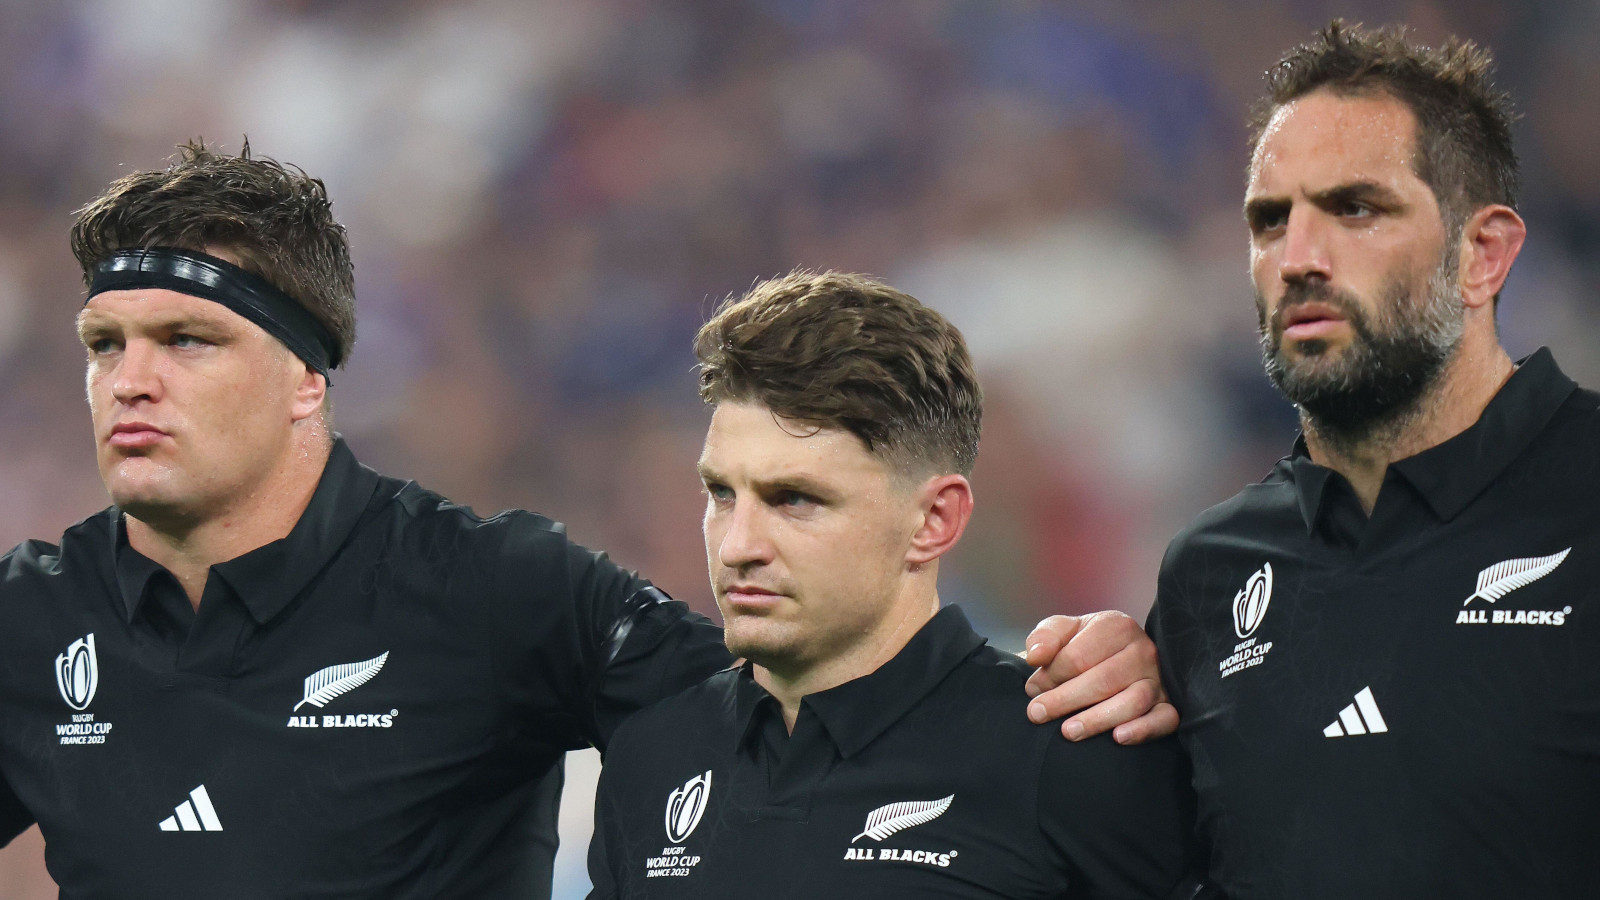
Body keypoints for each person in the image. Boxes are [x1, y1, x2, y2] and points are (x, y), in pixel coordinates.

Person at [0, 142, 1169, 899]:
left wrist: (1088, 670)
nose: (129, 382)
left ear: (307, 378)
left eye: (186, 340)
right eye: (104, 344)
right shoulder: (28, 619)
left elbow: (819, 682)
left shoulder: (494, 588)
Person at [1042, 22, 1598, 900]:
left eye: (1356, 209)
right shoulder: (1209, 576)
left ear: (1482, 254)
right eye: (1270, 221)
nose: (1298, 259)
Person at [586, 272, 1204, 900]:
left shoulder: (1069, 751)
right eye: (722, 493)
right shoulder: (652, 758)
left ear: (933, 521)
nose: (737, 546)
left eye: (794, 498)